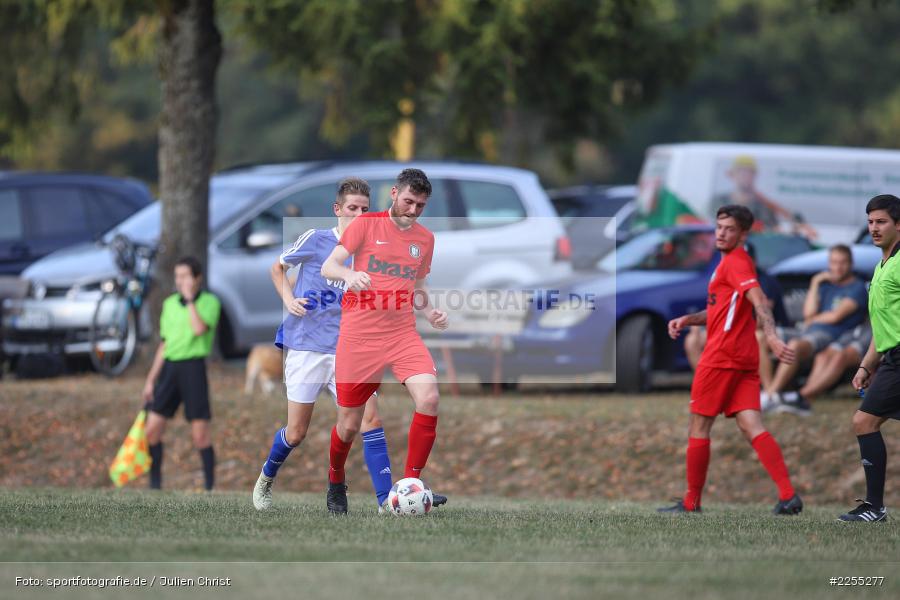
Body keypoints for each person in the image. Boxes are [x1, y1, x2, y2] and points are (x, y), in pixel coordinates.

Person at [659, 205, 803, 515]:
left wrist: (774, 337)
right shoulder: (735, 263)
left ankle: (691, 503)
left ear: (743, 234)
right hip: (744, 357)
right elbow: (722, 312)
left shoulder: (735, 263)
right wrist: (688, 319)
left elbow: (760, 302)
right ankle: (788, 495)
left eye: (729, 229)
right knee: (751, 423)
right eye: (719, 227)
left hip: (722, 356)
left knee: (699, 425)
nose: (721, 233)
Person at [321, 168, 449, 515]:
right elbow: (329, 267)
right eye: (408, 201)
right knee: (348, 425)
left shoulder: (425, 239)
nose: (413, 210)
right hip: (359, 335)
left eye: (420, 205)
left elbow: (417, 289)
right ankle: (335, 479)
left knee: (430, 397)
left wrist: (432, 312)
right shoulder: (365, 224)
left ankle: (411, 487)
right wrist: (350, 274)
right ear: (394, 194)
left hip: (401, 333)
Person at [840, 194, 900, 522]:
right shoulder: (882, 265)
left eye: (882, 222)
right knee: (865, 422)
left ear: (899, 225)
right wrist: (866, 365)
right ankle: (874, 507)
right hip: (891, 357)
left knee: (864, 421)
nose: (874, 229)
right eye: (870, 222)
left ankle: (874, 508)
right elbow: (883, 327)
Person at [141, 256, 221, 490]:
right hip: (169, 370)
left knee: (200, 436)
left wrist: (190, 302)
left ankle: (209, 488)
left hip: (193, 369)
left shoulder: (209, 302)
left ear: (197, 278)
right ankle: (154, 485)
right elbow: (164, 345)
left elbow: (198, 329)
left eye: (186, 276)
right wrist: (150, 380)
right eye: (177, 276)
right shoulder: (168, 305)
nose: (180, 281)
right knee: (152, 430)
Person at [761, 245, 867, 415]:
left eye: (842, 263)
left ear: (851, 263)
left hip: (828, 335)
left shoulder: (857, 288)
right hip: (806, 330)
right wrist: (815, 282)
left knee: (795, 345)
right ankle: (768, 391)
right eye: (833, 263)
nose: (837, 267)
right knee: (761, 338)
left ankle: (772, 395)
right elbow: (807, 313)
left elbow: (835, 317)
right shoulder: (825, 286)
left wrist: (813, 318)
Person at [684, 241, 788, 391]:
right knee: (693, 340)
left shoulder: (765, 281)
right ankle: (710, 388)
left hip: (768, 329)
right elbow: (718, 309)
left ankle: (769, 393)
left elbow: (763, 316)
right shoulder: (724, 275)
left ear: (753, 261)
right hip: (734, 329)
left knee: (757, 337)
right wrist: (694, 322)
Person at [713, 156, 817, 240]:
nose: (744, 176)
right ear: (732, 175)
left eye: (748, 173)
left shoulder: (764, 206)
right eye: (740, 172)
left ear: (754, 176)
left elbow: (772, 231)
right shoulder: (719, 202)